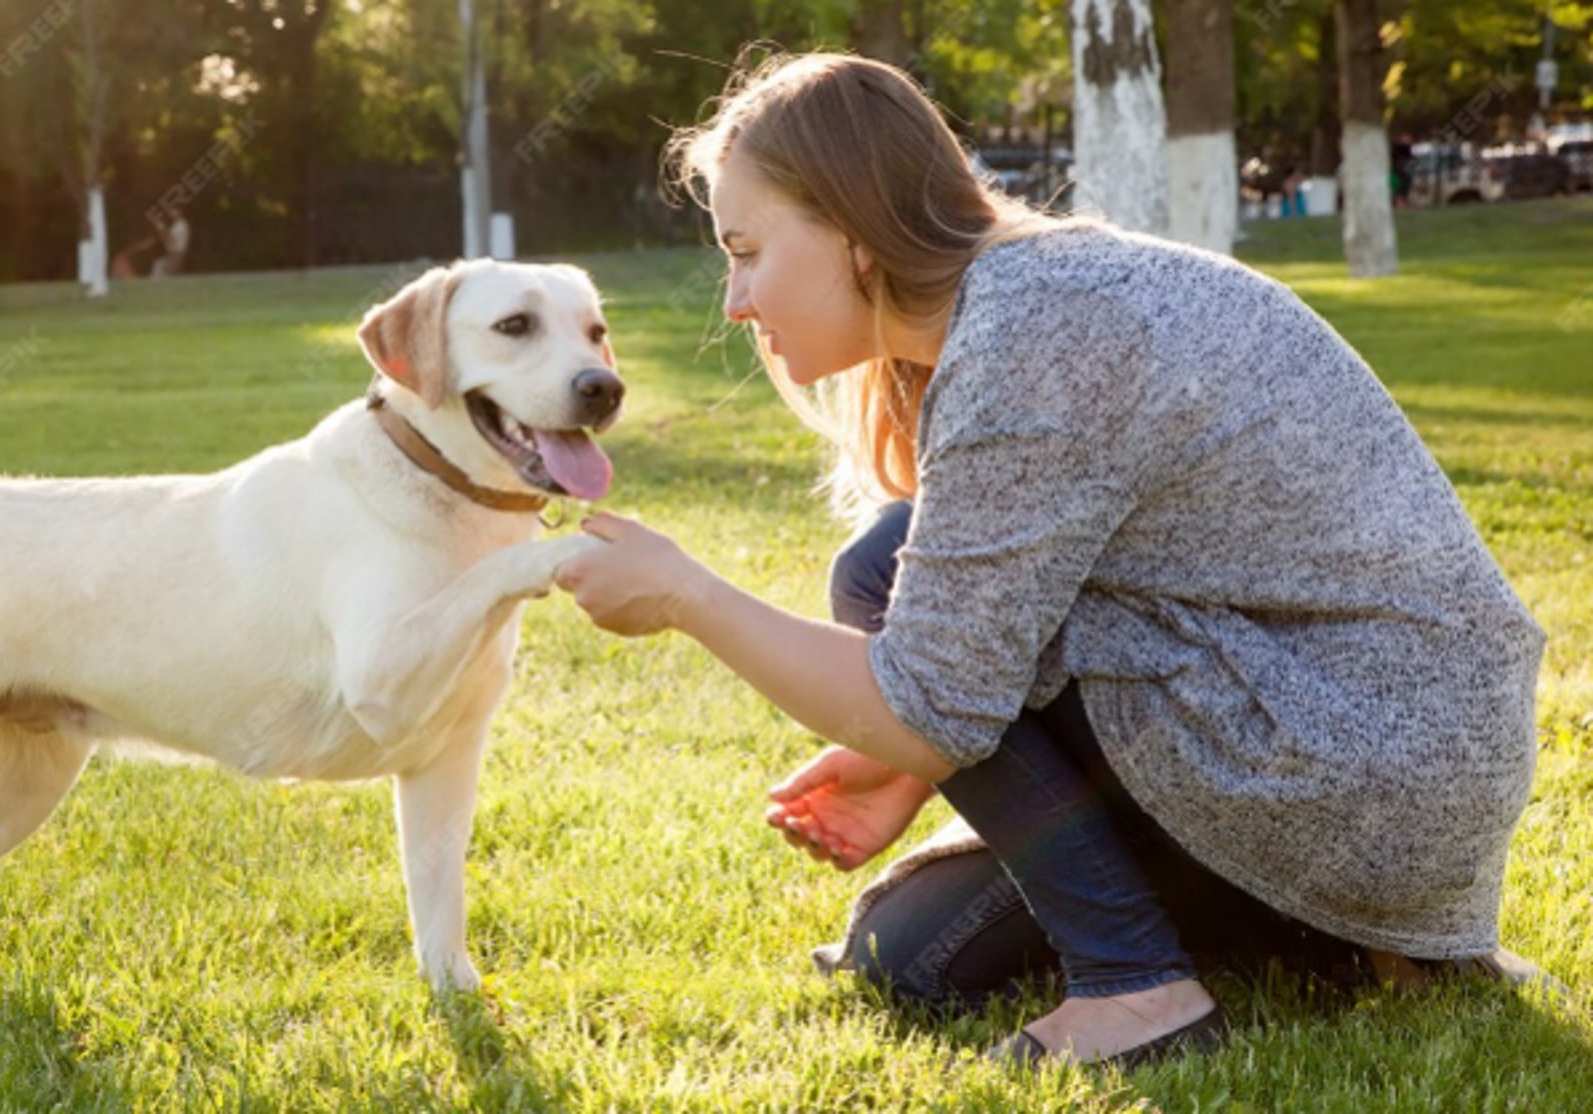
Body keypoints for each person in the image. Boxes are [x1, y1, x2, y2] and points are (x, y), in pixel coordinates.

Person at [552, 53, 1551, 1067]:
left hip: (1361, 762)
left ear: (850, 230)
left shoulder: (1032, 332)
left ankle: (1138, 991)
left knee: (879, 573)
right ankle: (1355, 937)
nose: (736, 301)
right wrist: (915, 760)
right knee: (912, 954)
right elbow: (1004, 633)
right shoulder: (1032, 297)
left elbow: (936, 686)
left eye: (747, 249)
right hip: (1361, 753)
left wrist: (684, 592)